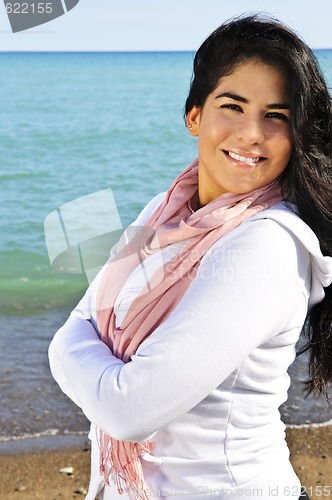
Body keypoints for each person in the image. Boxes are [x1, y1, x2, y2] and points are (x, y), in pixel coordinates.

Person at [48, 15, 332, 500]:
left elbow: (128, 410)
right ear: (194, 116)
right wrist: (82, 354)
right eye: (233, 106)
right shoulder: (164, 210)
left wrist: (78, 357)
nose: (251, 134)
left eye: (276, 116)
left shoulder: (267, 244)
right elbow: (77, 323)